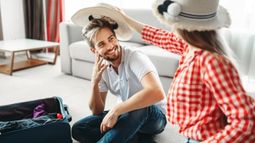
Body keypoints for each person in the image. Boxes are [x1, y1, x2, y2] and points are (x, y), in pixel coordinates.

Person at [115, 0, 255, 142]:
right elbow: (158, 36)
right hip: (189, 136)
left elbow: (247, 122)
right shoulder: (190, 47)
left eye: (174, 24)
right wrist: (125, 19)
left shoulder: (211, 62)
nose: (172, 29)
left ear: (186, 28)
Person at [71, 6, 167, 143]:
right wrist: (94, 82)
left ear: (116, 37)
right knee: (79, 129)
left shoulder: (135, 57)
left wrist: (116, 110)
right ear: (94, 50)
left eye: (111, 39)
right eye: (102, 44)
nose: (110, 46)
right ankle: (131, 136)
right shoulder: (101, 68)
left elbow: (156, 92)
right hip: (126, 115)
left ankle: (124, 134)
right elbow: (97, 111)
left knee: (139, 108)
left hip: (153, 117)